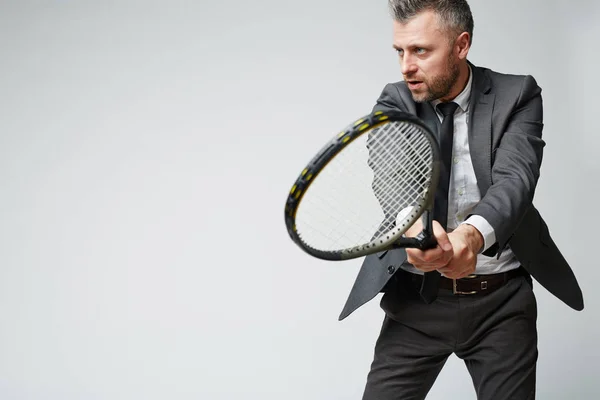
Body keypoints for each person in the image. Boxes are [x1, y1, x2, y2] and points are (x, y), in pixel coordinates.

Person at [338, 1, 584, 399]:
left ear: (461, 45)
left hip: (501, 303)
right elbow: (392, 178)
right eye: (400, 51)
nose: (405, 66)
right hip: (416, 302)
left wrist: (469, 238)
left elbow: (516, 180)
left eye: (420, 50)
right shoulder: (394, 101)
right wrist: (418, 233)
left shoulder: (517, 94)